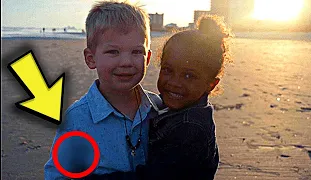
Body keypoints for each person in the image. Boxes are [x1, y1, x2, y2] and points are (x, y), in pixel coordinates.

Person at [89, 14, 232, 180]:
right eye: (168, 70)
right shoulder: (174, 107)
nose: (174, 82)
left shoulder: (189, 128)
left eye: (188, 76)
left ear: (211, 84)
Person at [44, 1, 162, 179]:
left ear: (148, 58)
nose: (126, 62)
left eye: (137, 52)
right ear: (91, 59)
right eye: (113, 52)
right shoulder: (78, 119)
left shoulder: (158, 108)